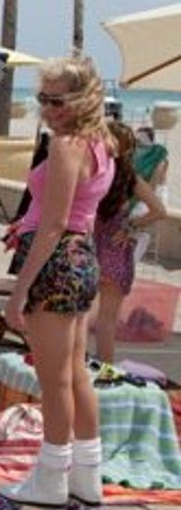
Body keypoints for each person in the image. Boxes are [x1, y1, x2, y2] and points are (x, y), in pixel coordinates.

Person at [0, 56, 116, 510]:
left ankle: (51, 476)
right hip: (81, 258)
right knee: (74, 372)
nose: (46, 108)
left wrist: (19, 290)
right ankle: (87, 475)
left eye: (55, 100)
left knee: (53, 379)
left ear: (81, 99)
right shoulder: (103, 145)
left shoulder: (68, 146)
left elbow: (53, 225)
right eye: (41, 98)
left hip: (57, 261)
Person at [91, 122, 166, 363]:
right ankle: (104, 373)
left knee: (78, 317)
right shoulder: (129, 178)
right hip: (115, 250)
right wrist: (130, 228)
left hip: (88, 248)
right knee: (107, 322)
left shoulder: (93, 172)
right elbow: (158, 210)